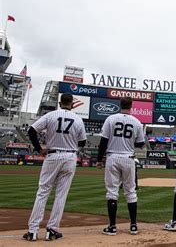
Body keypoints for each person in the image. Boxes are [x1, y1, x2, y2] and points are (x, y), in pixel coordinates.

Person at [23, 93, 87, 241]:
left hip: (52, 155)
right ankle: (52, 230)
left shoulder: (51, 115)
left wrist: (39, 148)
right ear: (72, 104)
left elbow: (31, 131)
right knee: (61, 195)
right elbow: (83, 142)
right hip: (70, 157)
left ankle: (32, 231)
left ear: (59, 103)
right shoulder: (78, 119)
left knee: (43, 192)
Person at [97, 97, 145, 236]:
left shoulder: (110, 119)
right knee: (131, 192)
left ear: (120, 105)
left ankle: (112, 227)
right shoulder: (136, 122)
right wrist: (130, 142)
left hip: (112, 157)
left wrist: (99, 160)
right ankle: (134, 226)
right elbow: (141, 144)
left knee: (112, 192)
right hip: (128, 158)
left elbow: (103, 141)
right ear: (131, 106)